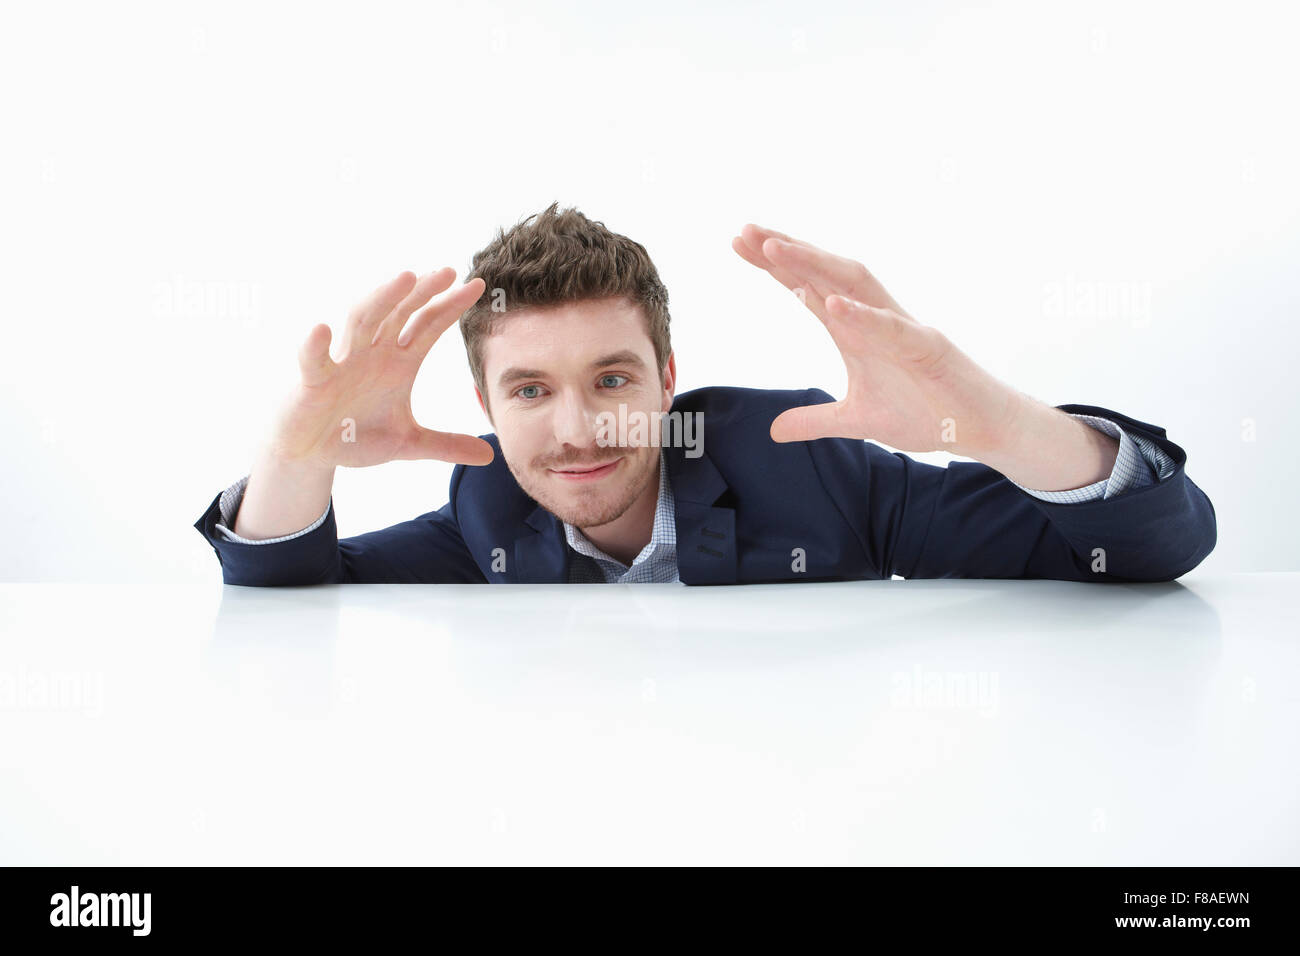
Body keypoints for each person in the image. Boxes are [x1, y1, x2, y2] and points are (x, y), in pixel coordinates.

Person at [193, 203, 1216, 585]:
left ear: (668, 378)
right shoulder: (486, 511)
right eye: (530, 389)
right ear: (485, 402)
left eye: (611, 378)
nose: (578, 426)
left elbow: (1153, 547)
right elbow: (289, 595)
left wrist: (990, 422)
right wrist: (299, 449)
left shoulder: (805, 464)